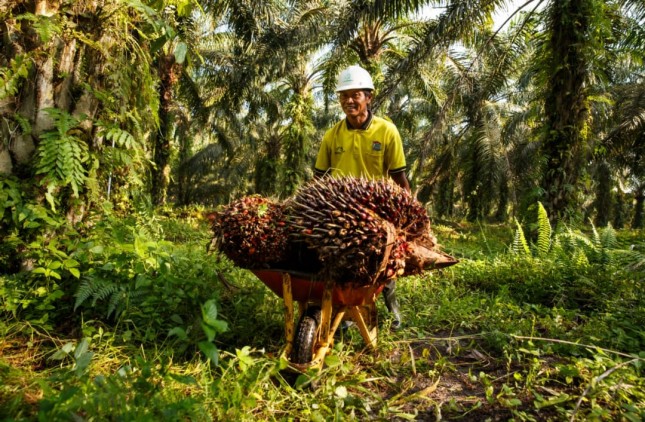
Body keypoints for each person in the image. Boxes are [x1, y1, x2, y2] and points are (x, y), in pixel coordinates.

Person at [314, 65, 410, 330]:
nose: (348, 101)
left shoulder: (387, 131)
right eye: (343, 96)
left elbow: (399, 178)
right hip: (340, 214)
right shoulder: (332, 135)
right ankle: (346, 317)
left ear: (369, 96)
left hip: (376, 212)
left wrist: (407, 214)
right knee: (343, 264)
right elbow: (319, 178)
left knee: (384, 265)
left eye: (355, 95)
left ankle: (393, 314)